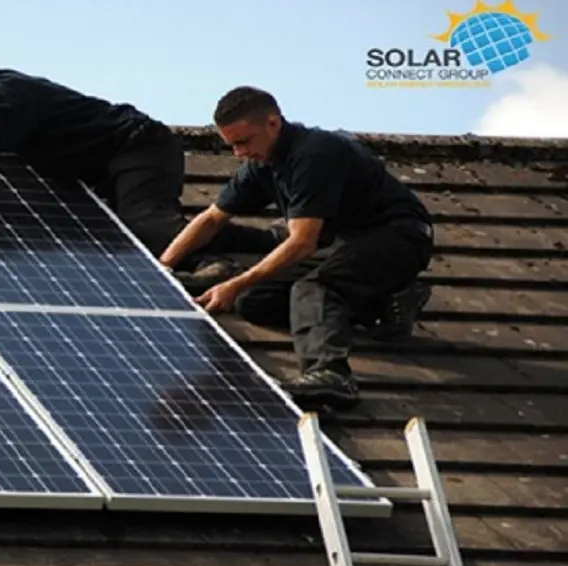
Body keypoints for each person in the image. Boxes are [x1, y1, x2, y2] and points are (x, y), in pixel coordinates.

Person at [0, 48, 277, 277]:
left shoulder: (1, 94)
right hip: (105, 167)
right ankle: (205, 262)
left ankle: (270, 241)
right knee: (118, 237)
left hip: (137, 147)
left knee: (145, 224)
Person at [158, 86, 434, 410]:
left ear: (272, 124)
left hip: (399, 236)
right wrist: (162, 266)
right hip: (351, 243)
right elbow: (213, 218)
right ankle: (387, 302)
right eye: (232, 145)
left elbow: (302, 243)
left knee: (314, 289)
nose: (238, 153)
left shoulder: (314, 155)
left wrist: (232, 283)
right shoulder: (263, 165)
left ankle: (330, 375)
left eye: (244, 142)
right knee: (254, 301)